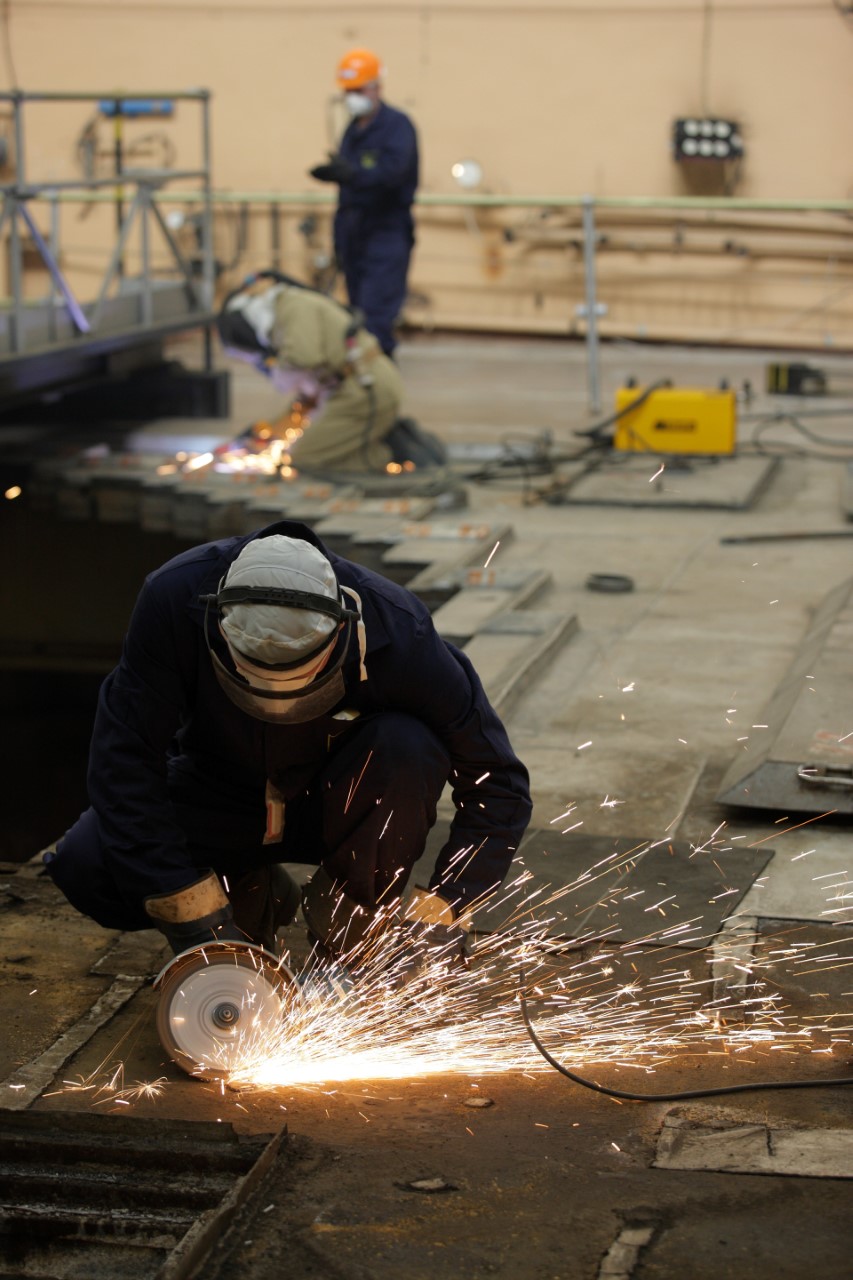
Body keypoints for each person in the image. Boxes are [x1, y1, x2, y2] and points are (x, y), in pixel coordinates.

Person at [45, 523, 532, 977]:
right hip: (219, 795)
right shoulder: (172, 599)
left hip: (337, 805)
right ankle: (243, 888)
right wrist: (196, 920)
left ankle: (349, 926)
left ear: (341, 628)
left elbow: (498, 783)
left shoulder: (400, 628)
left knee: (409, 746)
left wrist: (445, 908)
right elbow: (124, 762)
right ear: (219, 623)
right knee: (87, 864)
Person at [217, 272, 445, 474]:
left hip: (366, 393)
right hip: (351, 391)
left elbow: (302, 358)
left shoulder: (293, 308)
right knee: (306, 448)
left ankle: (392, 452)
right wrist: (268, 431)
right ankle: (373, 440)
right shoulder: (284, 310)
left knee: (304, 460)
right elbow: (307, 398)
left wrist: (279, 373)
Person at [309, 48, 418, 358]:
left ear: (376, 87)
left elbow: (393, 173)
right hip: (353, 233)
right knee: (356, 316)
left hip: (385, 233)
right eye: (348, 91)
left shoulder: (397, 126)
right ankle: (363, 383)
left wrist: (353, 174)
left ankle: (381, 384)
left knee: (376, 320)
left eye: (358, 90)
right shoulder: (352, 131)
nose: (352, 97)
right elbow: (349, 188)